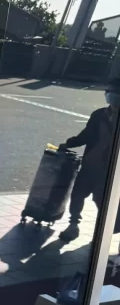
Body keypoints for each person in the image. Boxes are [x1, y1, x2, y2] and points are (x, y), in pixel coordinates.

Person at [60, 75, 120, 241]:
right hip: (90, 164)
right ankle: (73, 225)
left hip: (110, 170)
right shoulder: (99, 115)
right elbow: (86, 135)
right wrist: (69, 143)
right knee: (78, 194)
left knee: (103, 201)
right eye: (109, 91)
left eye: (116, 92)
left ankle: (109, 230)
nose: (111, 95)